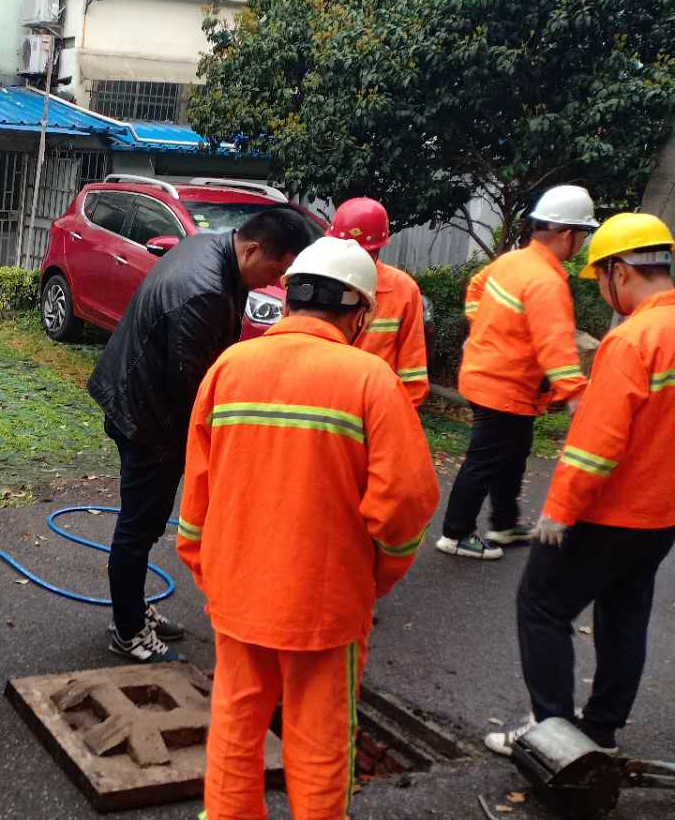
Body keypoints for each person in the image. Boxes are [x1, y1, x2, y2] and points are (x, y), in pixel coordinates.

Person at [176, 238, 439, 820]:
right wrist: (378, 577)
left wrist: (208, 568)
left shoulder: (229, 369)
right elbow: (404, 503)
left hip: (237, 590)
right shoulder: (369, 380)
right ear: (357, 314)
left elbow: (197, 496)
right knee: (320, 726)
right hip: (325, 602)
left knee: (237, 714)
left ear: (288, 295)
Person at [87, 207, 315, 663]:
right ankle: (128, 629)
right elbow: (195, 388)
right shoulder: (205, 291)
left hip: (140, 394)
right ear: (251, 248)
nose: (278, 281)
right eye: (277, 268)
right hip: (148, 417)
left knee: (144, 524)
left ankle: (131, 609)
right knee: (138, 527)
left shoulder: (212, 245)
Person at [485, 213, 675, 755]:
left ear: (620, 270)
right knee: (624, 617)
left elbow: (596, 444)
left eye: (602, 278)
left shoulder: (633, 341)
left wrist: (558, 513)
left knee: (541, 607)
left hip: (605, 514)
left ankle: (554, 737)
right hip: (660, 516)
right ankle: (601, 732)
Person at [437, 185, 597, 561]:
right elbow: (556, 344)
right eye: (582, 233)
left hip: (493, 380)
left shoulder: (513, 262)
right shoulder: (545, 280)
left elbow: (476, 286)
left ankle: (504, 524)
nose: (582, 242)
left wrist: (482, 324)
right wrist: (576, 394)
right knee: (486, 459)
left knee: (513, 455)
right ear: (564, 233)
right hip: (504, 387)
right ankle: (456, 533)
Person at [327, 197, 429, 407]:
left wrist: (401, 416)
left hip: (377, 407)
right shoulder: (315, 283)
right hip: (326, 406)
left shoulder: (402, 289)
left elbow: (413, 370)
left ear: (376, 251)